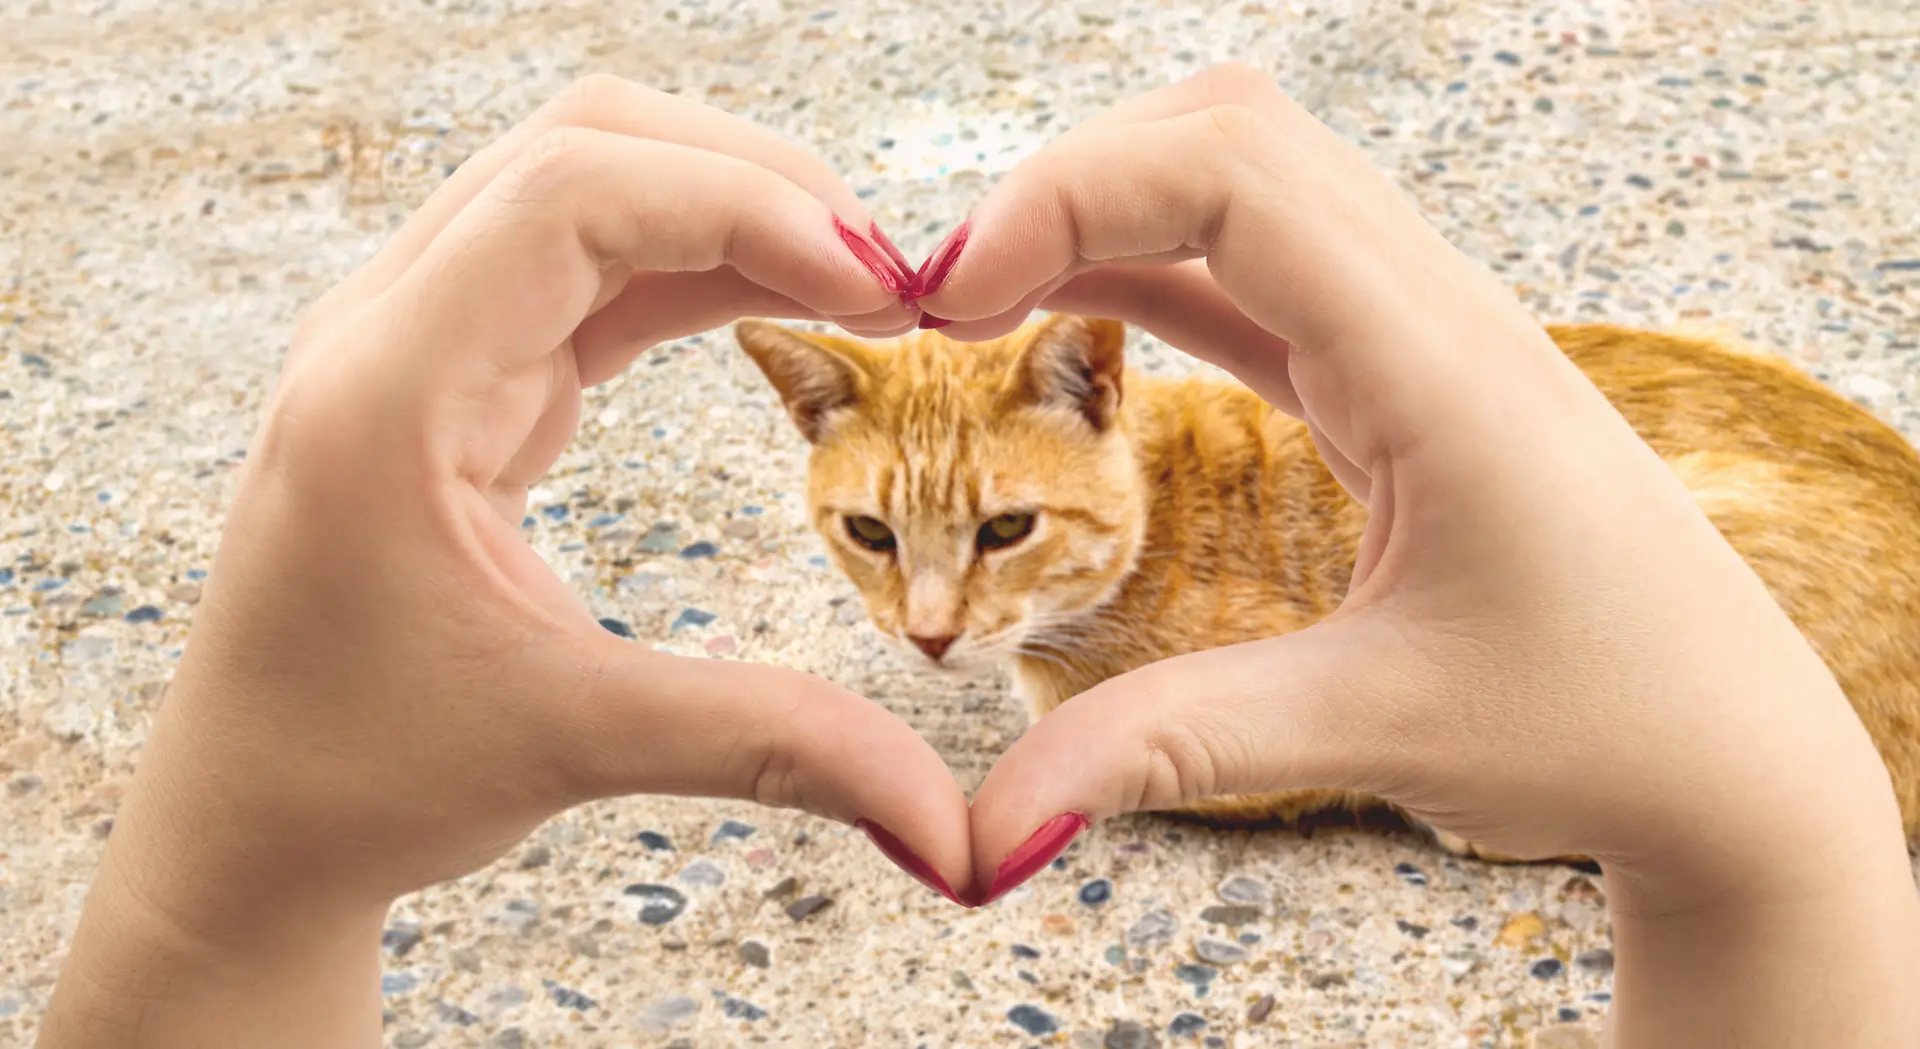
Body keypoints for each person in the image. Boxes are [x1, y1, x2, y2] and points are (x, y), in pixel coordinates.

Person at [37, 67, 1919, 1048]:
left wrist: (213, 920)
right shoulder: (986, 507)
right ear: (805, 441)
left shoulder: (1175, 534)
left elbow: (1307, 764)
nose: (930, 621)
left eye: (1001, 538)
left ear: (1106, 390)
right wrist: (1788, 888)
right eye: (871, 542)